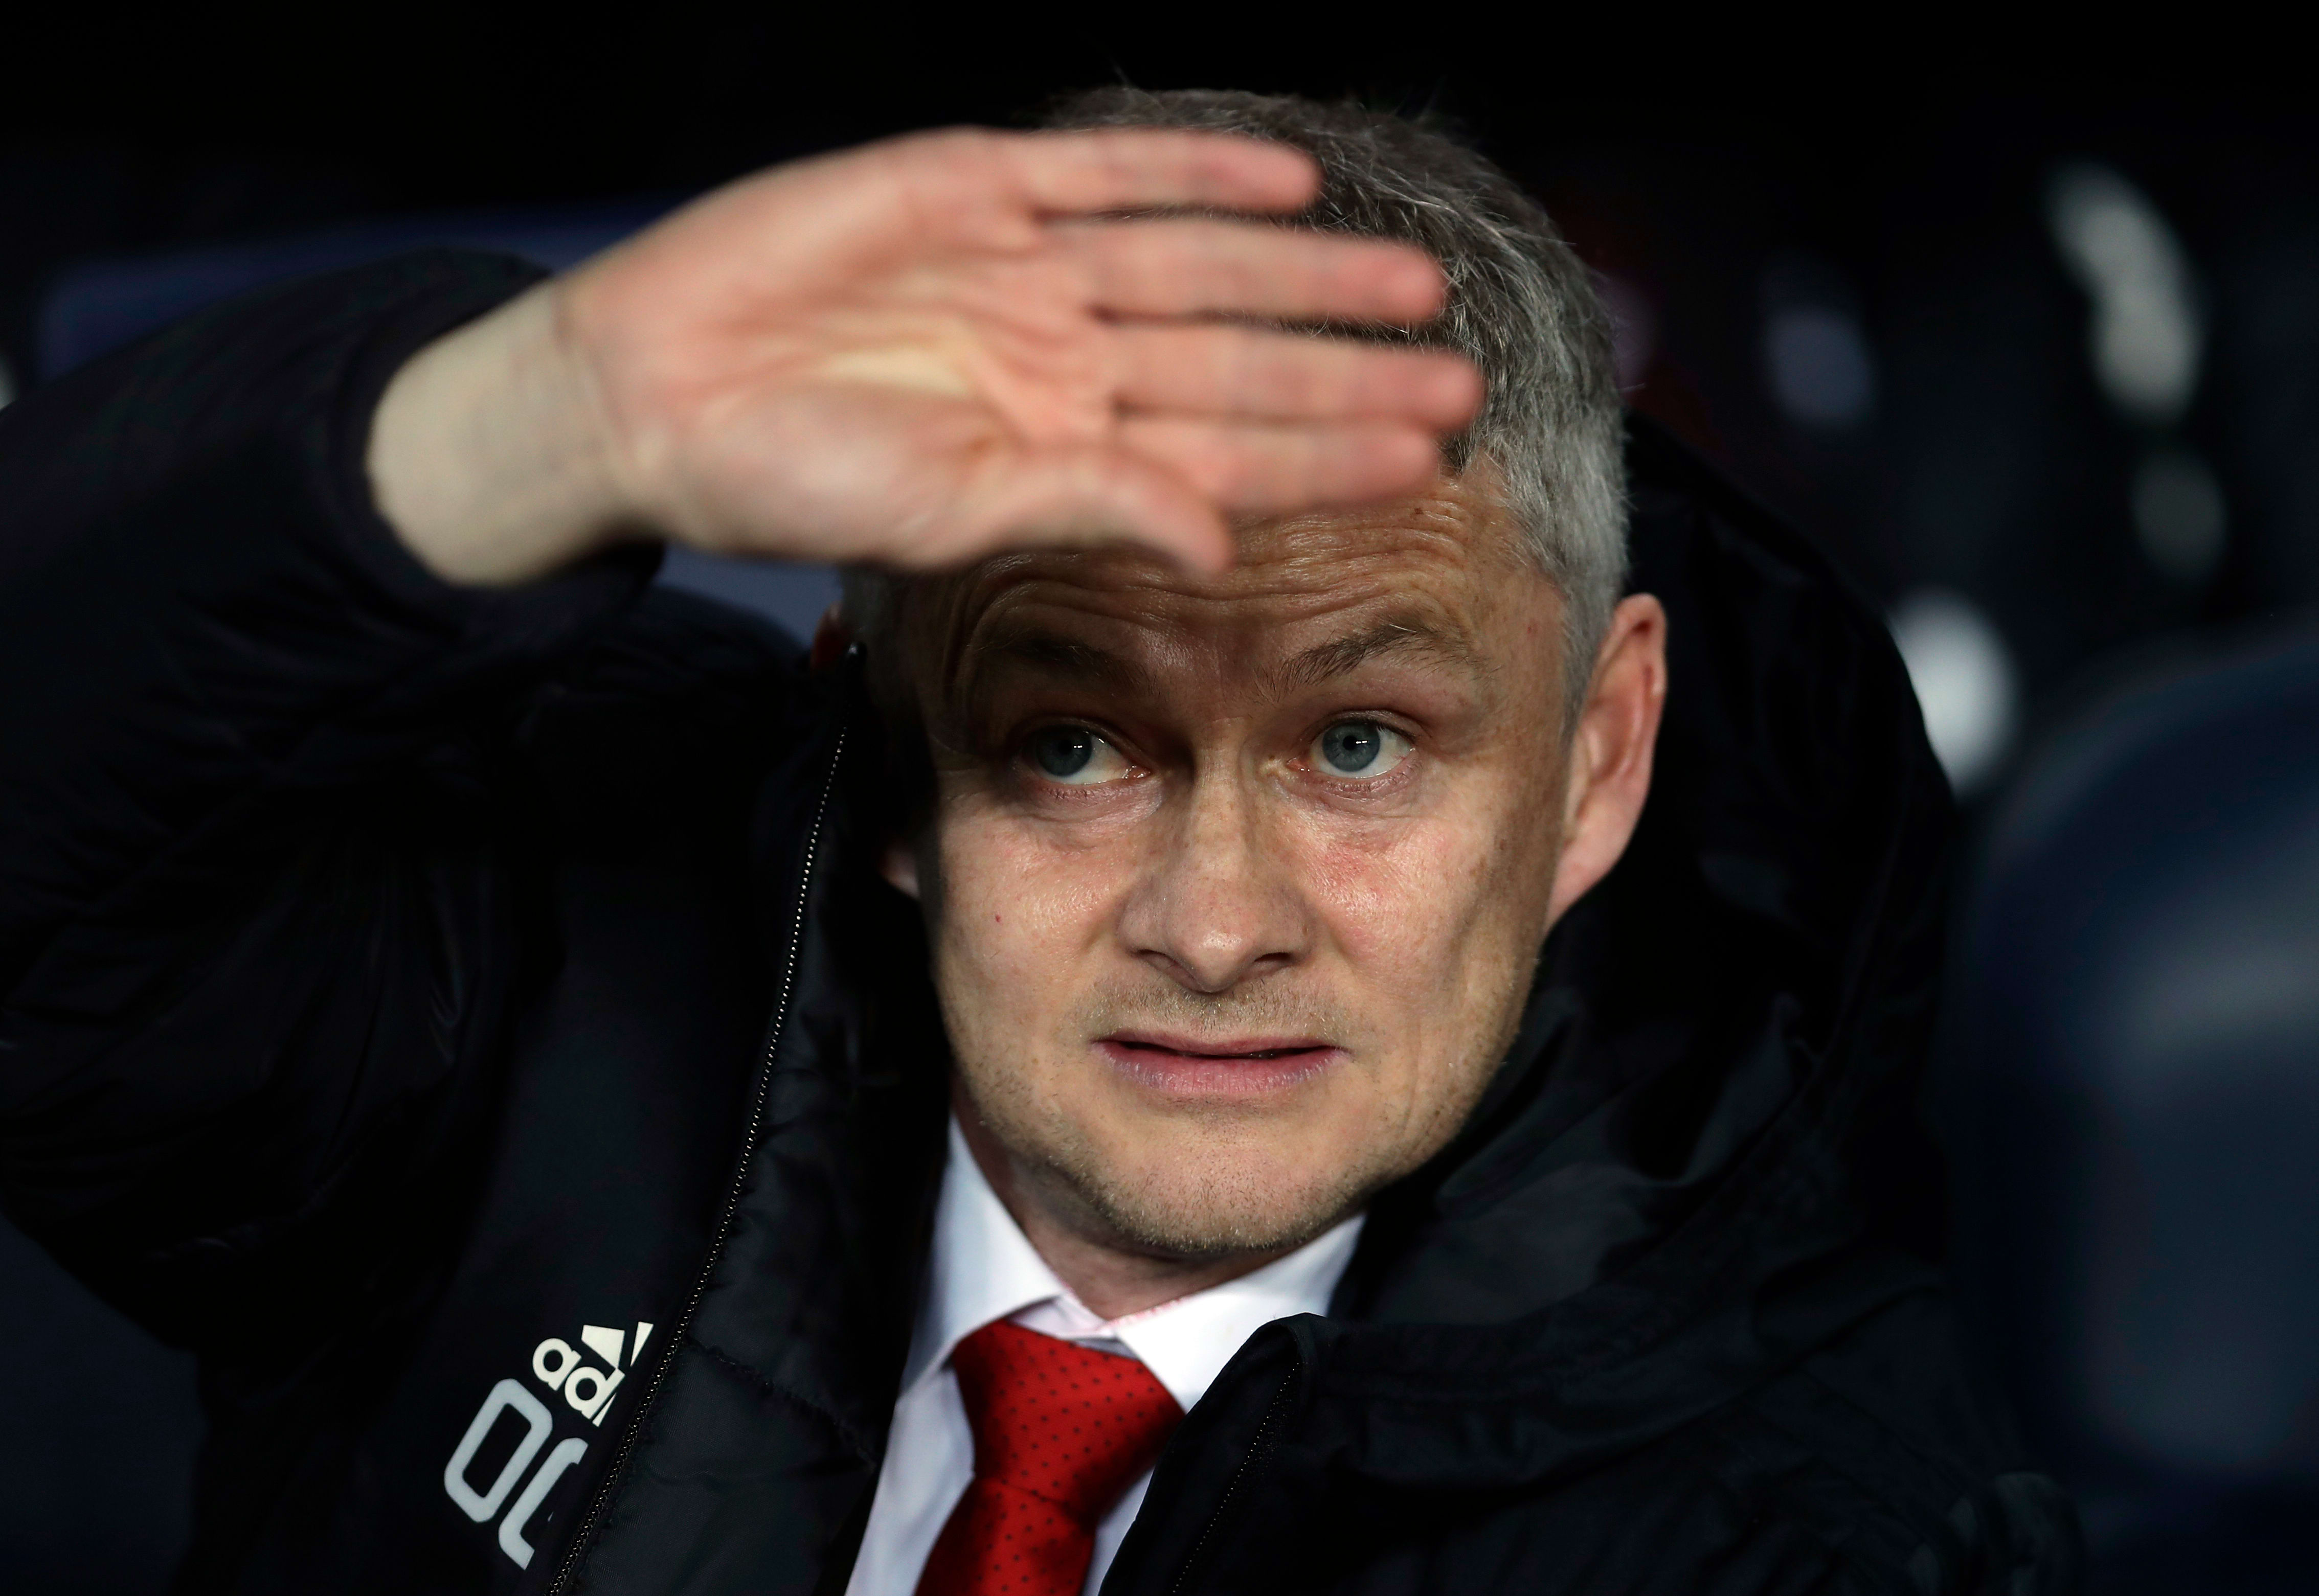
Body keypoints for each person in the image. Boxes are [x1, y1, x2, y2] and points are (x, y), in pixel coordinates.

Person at [0, 88, 2079, 1595]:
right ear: (883, 740)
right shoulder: (510, 1002)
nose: (1216, 925)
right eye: (1073, 744)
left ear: (1596, 761)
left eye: (1361, 743)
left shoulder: (1830, 1537)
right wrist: (552, 413)